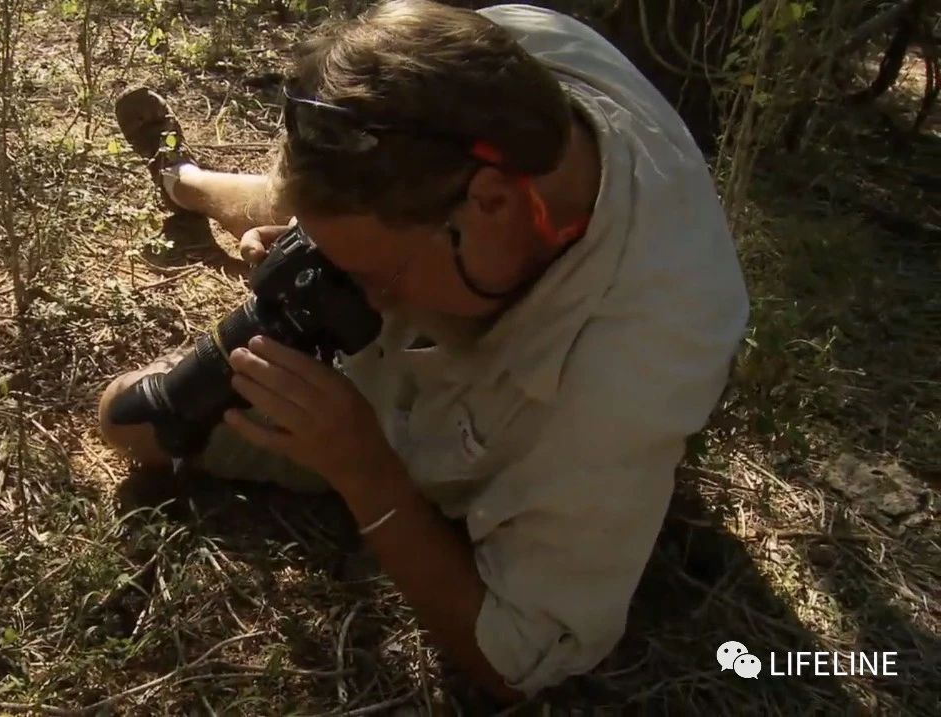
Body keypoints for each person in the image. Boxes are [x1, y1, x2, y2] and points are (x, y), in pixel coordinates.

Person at [98, 0, 750, 704]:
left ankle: (199, 186)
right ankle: (185, 180)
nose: (360, 301)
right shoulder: (509, 53)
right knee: (134, 417)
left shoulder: (624, 376)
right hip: (449, 255)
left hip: (523, 389)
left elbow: (515, 664)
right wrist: (330, 251)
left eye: (374, 276)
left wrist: (368, 474)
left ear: (493, 204)